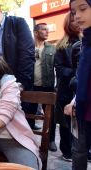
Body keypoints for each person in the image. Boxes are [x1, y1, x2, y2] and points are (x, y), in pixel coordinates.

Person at [65, 0, 91, 169]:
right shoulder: (85, 42)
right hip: (83, 110)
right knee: (79, 151)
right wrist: (75, 100)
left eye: (83, 9)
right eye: (74, 12)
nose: (77, 16)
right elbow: (82, 79)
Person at [54, 12, 82, 161]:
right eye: (72, 19)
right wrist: (78, 72)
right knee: (66, 124)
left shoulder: (86, 40)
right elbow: (59, 69)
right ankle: (67, 151)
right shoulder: (61, 45)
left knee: (82, 122)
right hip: (66, 91)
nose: (76, 21)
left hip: (82, 91)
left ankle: (83, 149)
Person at [33, 23, 56, 147]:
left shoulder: (52, 49)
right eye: (44, 30)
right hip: (31, 86)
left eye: (48, 30)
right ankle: (28, 138)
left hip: (48, 86)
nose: (47, 32)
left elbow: (56, 67)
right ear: (36, 32)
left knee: (50, 115)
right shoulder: (28, 47)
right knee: (29, 113)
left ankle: (51, 140)